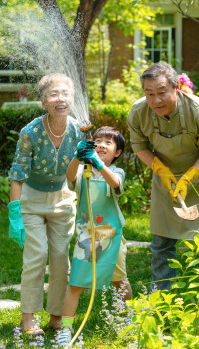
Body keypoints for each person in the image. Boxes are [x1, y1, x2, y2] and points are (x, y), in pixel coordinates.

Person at [127, 61, 199, 291]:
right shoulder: (138, 111)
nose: (156, 100)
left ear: (177, 88)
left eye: (162, 92)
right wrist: (162, 171)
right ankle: (161, 297)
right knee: (162, 240)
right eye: (149, 93)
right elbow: (139, 147)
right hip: (165, 174)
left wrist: (188, 177)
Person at [8, 73, 84, 335]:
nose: (60, 99)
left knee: (62, 258)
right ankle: (27, 319)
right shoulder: (30, 132)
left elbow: (83, 172)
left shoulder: (78, 130)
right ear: (43, 102)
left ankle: (55, 316)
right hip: (32, 200)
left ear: (73, 99)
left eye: (65, 93)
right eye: (53, 94)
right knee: (36, 257)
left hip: (63, 199)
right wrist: (14, 213)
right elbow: (17, 175)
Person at [57, 126, 132, 347]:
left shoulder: (116, 172)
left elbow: (115, 184)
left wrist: (98, 164)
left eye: (108, 143)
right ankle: (65, 330)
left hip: (111, 236)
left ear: (117, 152)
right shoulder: (83, 171)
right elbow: (70, 176)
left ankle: (130, 318)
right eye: (97, 141)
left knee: (119, 280)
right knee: (77, 282)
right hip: (87, 236)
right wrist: (76, 157)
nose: (101, 145)